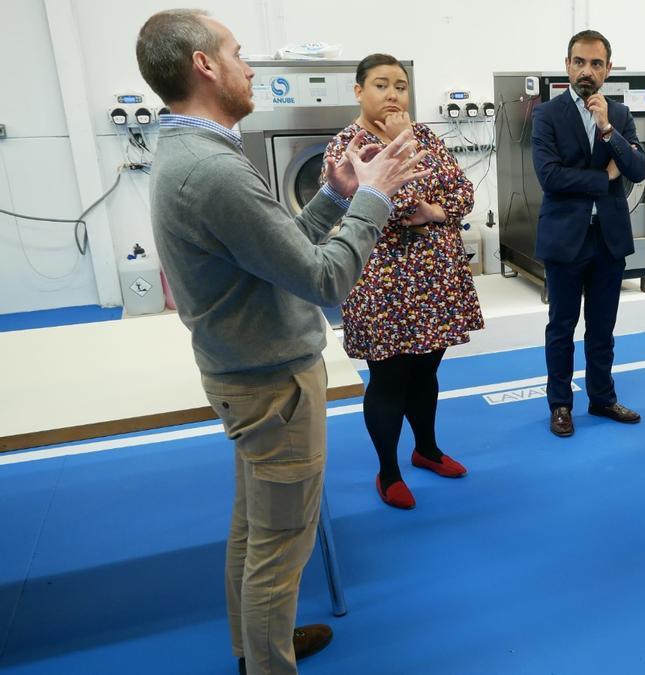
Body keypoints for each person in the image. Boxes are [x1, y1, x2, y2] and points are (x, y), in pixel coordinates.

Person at [136, 11, 428, 674]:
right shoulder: (214, 171)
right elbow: (325, 276)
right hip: (273, 387)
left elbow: (279, 249)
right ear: (205, 66)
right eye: (238, 54)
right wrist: (374, 200)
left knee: (254, 528)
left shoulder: (192, 154)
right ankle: (268, 662)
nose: (250, 67)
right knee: (280, 545)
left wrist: (336, 192)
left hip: (245, 375)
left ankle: (256, 648)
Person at [321, 54, 484, 510]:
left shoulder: (426, 135)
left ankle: (426, 449)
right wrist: (402, 150)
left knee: (427, 372)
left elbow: (461, 194)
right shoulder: (347, 148)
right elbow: (392, 207)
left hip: (435, 278)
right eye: (380, 85)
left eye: (400, 85)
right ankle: (388, 471)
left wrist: (434, 210)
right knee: (389, 380)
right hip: (383, 283)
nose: (392, 95)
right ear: (358, 91)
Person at [532, 29, 645, 437]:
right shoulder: (547, 115)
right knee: (561, 327)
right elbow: (550, 177)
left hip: (608, 238)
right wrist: (603, 178)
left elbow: (637, 169)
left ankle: (602, 397)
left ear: (608, 69)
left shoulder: (617, 114)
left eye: (596, 63)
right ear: (567, 66)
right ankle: (560, 404)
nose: (587, 70)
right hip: (565, 238)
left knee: (602, 327)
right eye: (579, 62)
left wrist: (606, 130)